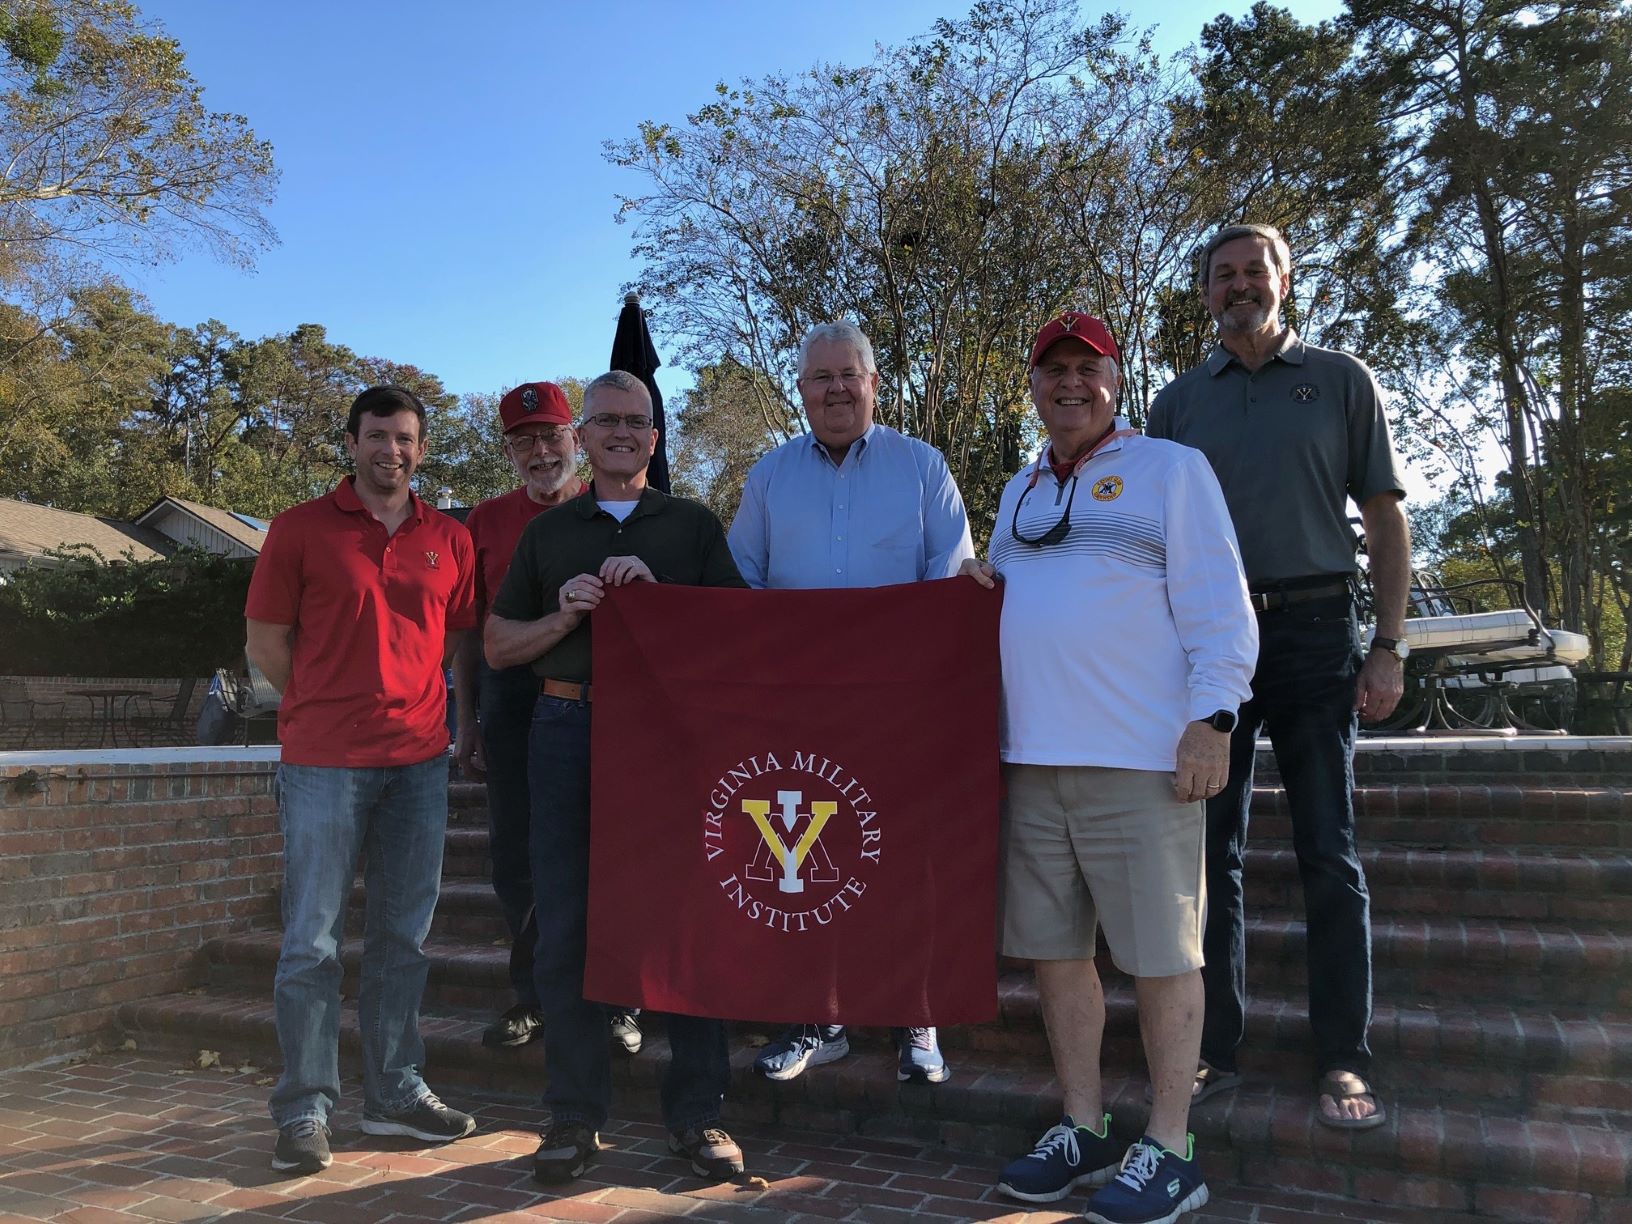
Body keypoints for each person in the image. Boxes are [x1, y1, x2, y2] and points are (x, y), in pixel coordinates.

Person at [964, 312, 1256, 1224]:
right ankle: (1084, 1128)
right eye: (1052, 371)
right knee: (1057, 957)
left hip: (1142, 758)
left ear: (1117, 379)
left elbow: (1220, 604)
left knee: (1165, 958)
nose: (1069, 385)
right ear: (1035, 387)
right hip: (1031, 759)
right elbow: (1017, 603)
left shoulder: (1173, 469)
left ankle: (1171, 1147)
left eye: (1086, 369)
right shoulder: (1017, 491)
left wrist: (1213, 720)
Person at [1147, 223, 1409, 1131]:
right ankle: (1212, 1050)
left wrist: (1391, 643)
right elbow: (1153, 540)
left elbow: (1382, 516)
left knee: (1327, 851)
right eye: (1221, 276)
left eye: (1253, 271)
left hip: (1314, 635)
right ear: (1206, 292)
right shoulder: (1177, 404)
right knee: (1207, 854)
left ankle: (1342, 1056)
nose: (1238, 286)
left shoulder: (1341, 381)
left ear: (1284, 282)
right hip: (1211, 645)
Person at [484, 370, 749, 1185]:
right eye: (607, 421)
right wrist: (563, 615)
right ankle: (572, 1116)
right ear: (585, 438)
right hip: (566, 727)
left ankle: (698, 1117)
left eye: (638, 422)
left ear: (654, 438)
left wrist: (666, 602)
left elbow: (741, 641)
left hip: (670, 741)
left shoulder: (694, 526)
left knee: (684, 925)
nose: (623, 434)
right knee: (565, 926)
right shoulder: (550, 534)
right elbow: (496, 646)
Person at [727, 319, 975, 1086]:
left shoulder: (923, 467)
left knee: (907, 863)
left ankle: (917, 1017)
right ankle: (817, 1018)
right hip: (800, 710)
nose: (836, 388)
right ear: (800, 390)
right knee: (805, 862)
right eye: (821, 377)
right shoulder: (769, 477)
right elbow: (739, 587)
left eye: (849, 374)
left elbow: (951, 583)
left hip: (899, 706)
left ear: (874, 383)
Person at [246, 385, 479, 1176]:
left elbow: (449, 638)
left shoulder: (448, 537)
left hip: (417, 763)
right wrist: (321, 705)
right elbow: (268, 643)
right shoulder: (300, 530)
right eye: (378, 436)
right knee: (311, 943)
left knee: (402, 940)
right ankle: (306, 1107)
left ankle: (395, 1093)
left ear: (421, 447)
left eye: (406, 438)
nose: (393, 451)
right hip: (322, 764)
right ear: (351, 442)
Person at [452, 382, 643, 1057]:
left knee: (608, 850)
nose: (541, 450)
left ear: (577, 436)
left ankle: (617, 999)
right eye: (524, 440)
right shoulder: (484, 521)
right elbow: (472, 632)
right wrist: (466, 719)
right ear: (509, 451)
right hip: (511, 697)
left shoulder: (615, 507)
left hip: (599, 700)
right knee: (517, 855)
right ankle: (534, 995)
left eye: (551, 434)